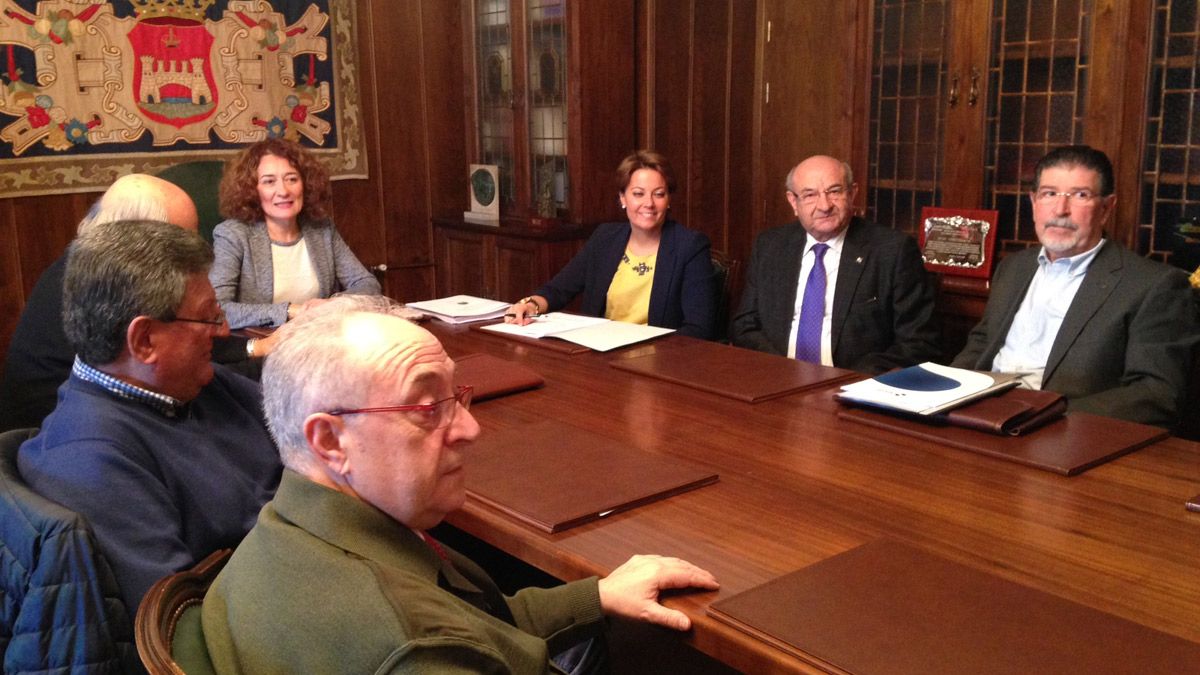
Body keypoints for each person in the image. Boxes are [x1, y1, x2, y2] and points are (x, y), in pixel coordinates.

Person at [202, 296, 720, 673]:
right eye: (428, 409)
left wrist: (597, 595)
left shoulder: (283, 530)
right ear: (331, 441)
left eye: (457, 397)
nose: (470, 429)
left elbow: (474, 624)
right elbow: (445, 636)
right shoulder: (411, 648)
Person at [18, 219, 282, 621]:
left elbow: (302, 434)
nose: (224, 330)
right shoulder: (90, 462)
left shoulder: (188, 385)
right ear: (143, 341)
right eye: (209, 318)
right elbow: (179, 625)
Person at [0, 174, 275, 434]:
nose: (195, 250)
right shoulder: (109, 289)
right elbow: (187, 364)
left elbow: (196, 336)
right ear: (141, 242)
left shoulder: (93, 268)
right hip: (56, 428)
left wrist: (255, 348)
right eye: (183, 239)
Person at [953, 145, 1199, 429]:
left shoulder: (1154, 285)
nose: (1060, 209)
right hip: (980, 415)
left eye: (1080, 195)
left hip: (1062, 428)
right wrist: (942, 393)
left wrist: (1047, 415)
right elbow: (983, 343)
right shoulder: (1014, 268)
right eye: (1049, 194)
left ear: (1106, 208)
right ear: (1034, 202)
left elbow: (1158, 394)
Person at [731, 155, 940, 373]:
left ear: (852, 193)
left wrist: (850, 379)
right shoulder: (771, 246)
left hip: (853, 385)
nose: (824, 205)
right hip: (776, 379)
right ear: (793, 202)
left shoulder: (892, 251)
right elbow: (745, 325)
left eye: (835, 192)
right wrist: (782, 369)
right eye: (810, 195)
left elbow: (920, 342)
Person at [505, 150, 717, 339]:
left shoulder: (690, 247)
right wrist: (530, 305)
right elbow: (559, 289)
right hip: (600, 355)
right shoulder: (605, 238)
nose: (649, 203)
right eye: (638, 193)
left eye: (659, 194)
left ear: (669, 200)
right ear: (622, 198)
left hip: (657, 361)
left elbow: (699, 328)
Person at [210, 138, 381, 329]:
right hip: (265, 344)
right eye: (269, 181)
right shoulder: (233, 235)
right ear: (251, 190)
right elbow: (217, 308)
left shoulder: (321, 229)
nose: (283, 191)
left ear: (305, 184)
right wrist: (290, 311)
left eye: (292, 179)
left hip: (320, 336)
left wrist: (334, 304)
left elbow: (367, 284)